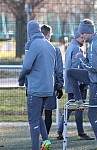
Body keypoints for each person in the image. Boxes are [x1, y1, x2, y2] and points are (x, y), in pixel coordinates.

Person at [67, 18, 97, 150]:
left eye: (82, 34)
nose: (81, 36)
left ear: (87, 32)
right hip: (96, 77)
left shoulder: (95, 45)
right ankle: (78, 100)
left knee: (92, 114)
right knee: (70, 72)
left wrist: (80, 58)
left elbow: (93, 67)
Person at [18, 20, 56, 150]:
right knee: (38, 115)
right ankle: (46, 141)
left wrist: (21, 78)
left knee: (33, 119)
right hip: (48, 88)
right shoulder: (50, 45)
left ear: (29, 31)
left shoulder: (33, 44)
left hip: (36, 88)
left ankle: (35, 147)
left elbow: (26, 66)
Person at [57, 27, 94, 140]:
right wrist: (81, 82)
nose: (84, 39)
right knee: (79, 107)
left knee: (70, 107)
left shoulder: (70, 47)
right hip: (78, 84)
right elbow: (77, 67)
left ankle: (60, 130)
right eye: (82, 37)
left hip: (70, 83)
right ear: (78, 37)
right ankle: (81, 133)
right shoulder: (77, 49)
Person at [40, 24, 64, 135]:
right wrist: (59, 86)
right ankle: (45, 139)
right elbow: (59, 69)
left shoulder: (34, 47)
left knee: (37, 114)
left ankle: (37, 138)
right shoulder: (55, 49)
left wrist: (27, 84)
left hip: (37, 85)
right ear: (49, 34)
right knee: (48, 113)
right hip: (50, 85)